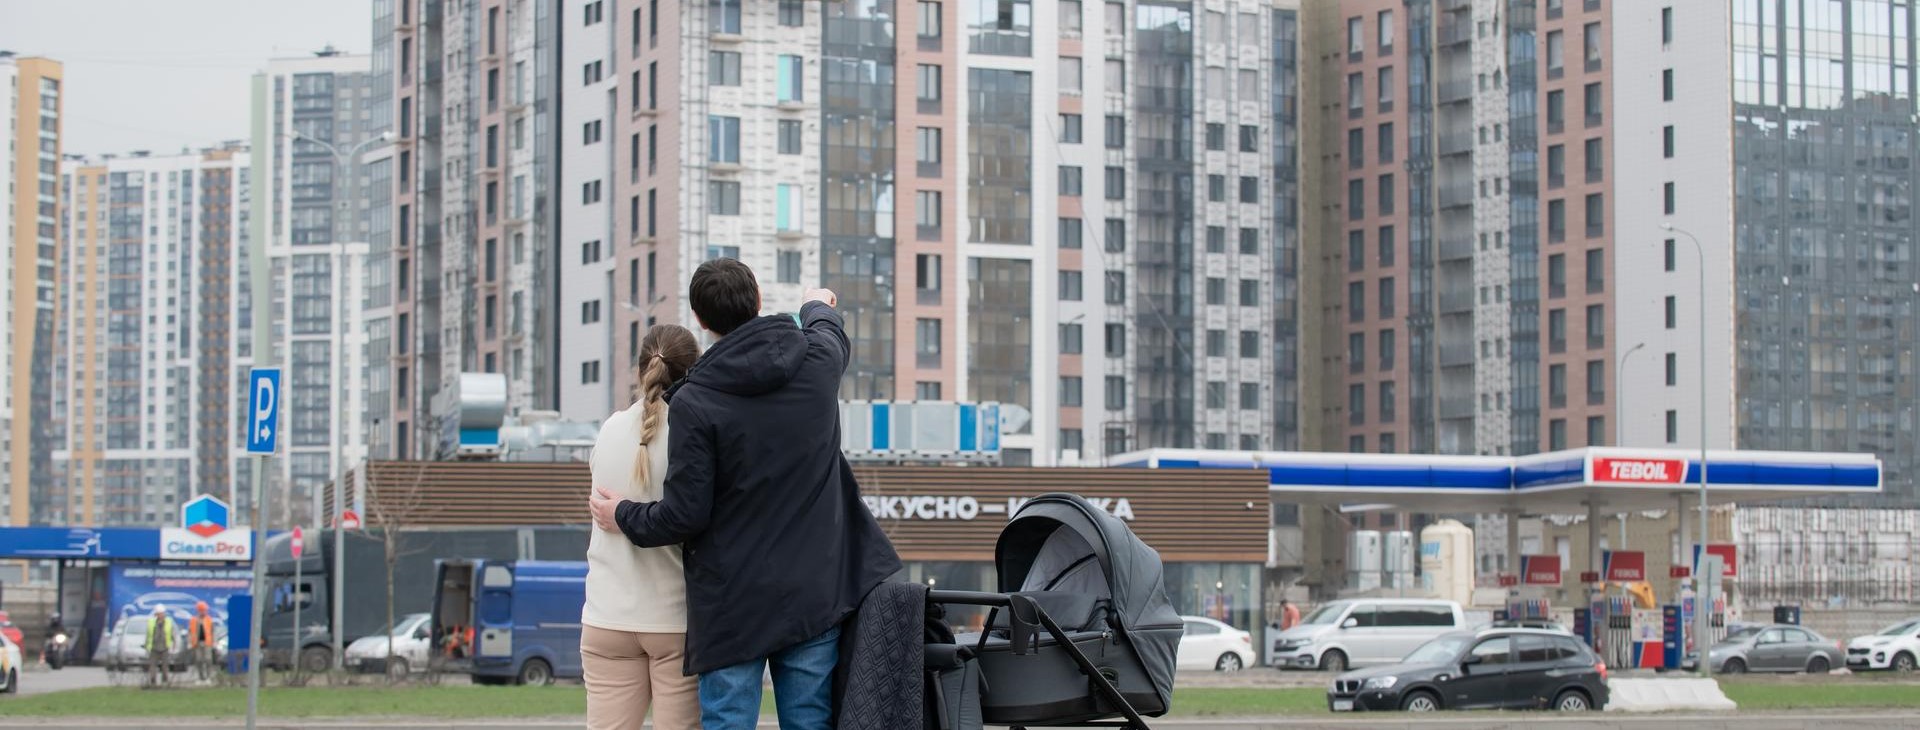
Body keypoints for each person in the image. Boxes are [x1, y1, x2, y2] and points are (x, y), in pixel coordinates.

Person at [591, 259, 900, 730]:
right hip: (813, 593)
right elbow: (828, 327)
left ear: (701, 320)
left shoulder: (693, 401)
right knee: (809, 720)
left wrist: (623, 514)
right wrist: (815, 304)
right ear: (757, 299)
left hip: (730, 605)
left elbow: (685, 515)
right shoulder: (818, 363)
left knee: (728, 721)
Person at [580, 324, 701, 730]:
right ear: (694, 371)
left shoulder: (610, 429)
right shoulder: (694, 435)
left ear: (640, 370)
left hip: (606, 616)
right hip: (674, 621)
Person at [145, 605, 177, 687]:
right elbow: (148, 635)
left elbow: (173, 634)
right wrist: (146, 646)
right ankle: (153, 682)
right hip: (154, 648)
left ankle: (165, 681)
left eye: (162, 613)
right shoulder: (151, 622)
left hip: (165, 647)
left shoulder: (169, 622)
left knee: (165, 666)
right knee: (153, 666)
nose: (161, 615)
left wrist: (174, 645)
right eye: (159, 614)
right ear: (156, 614)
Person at [187, 601, 217, 681]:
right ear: (199, 610)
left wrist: (214, 642)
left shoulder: (209, 619)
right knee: (199, 660)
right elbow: (190, 632)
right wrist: (189, 642)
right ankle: (201, 677)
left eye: (205, 610)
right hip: (197, 643)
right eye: (203, 610)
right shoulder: (193, 620)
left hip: (207, 643)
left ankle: (209, 676)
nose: (204, 612)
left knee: (208, 659)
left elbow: (213, 631)